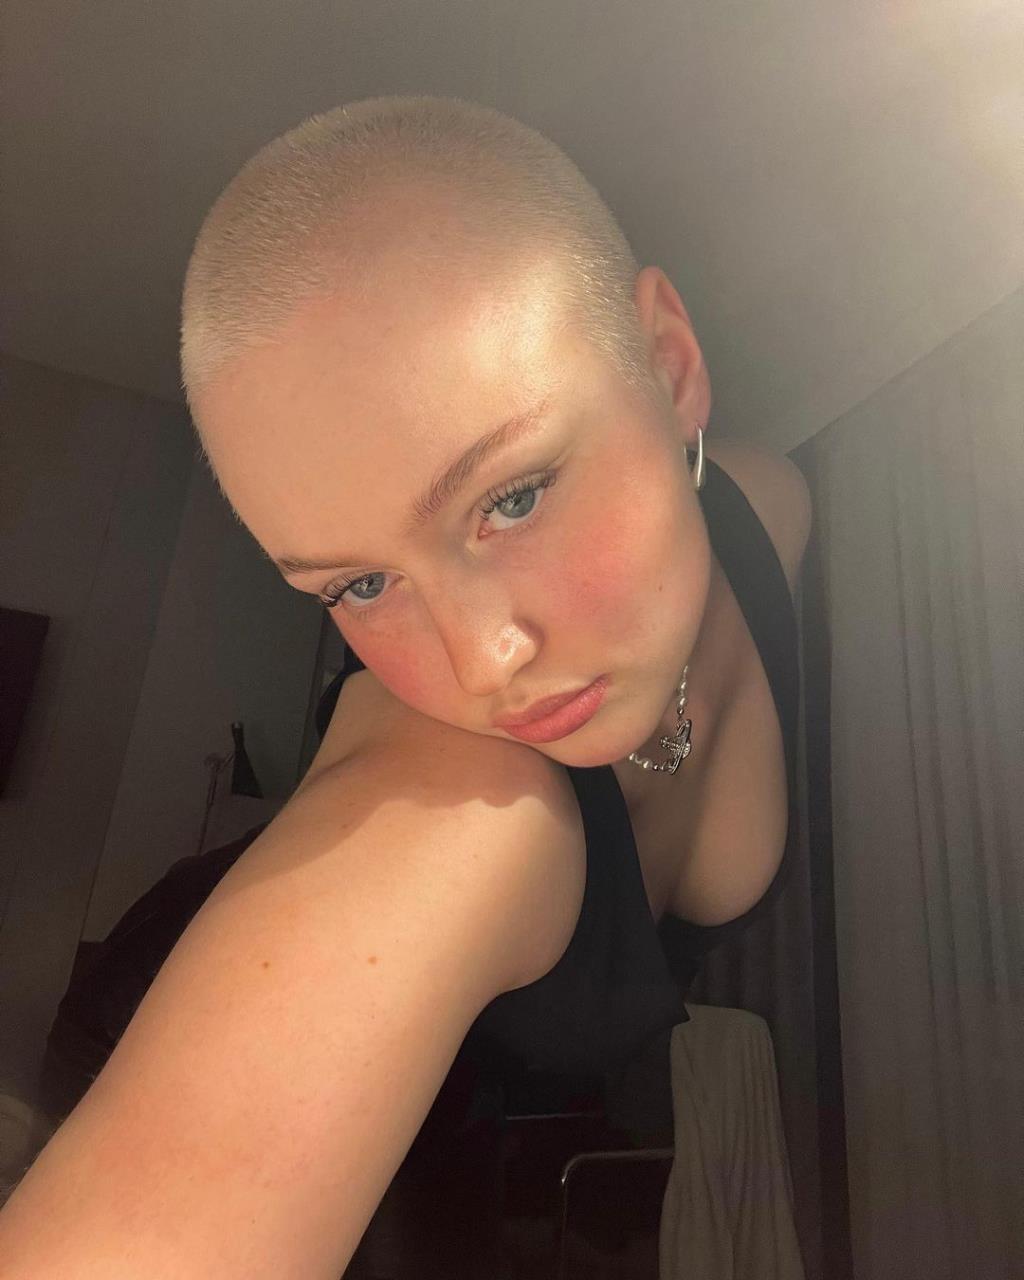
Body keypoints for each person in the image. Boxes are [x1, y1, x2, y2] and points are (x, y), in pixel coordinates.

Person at [0, 95, 811, 1277]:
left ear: (668, 366)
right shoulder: (460, 819)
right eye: (360, 583)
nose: (481, 663)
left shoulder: (772, 505)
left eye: (512, 496)